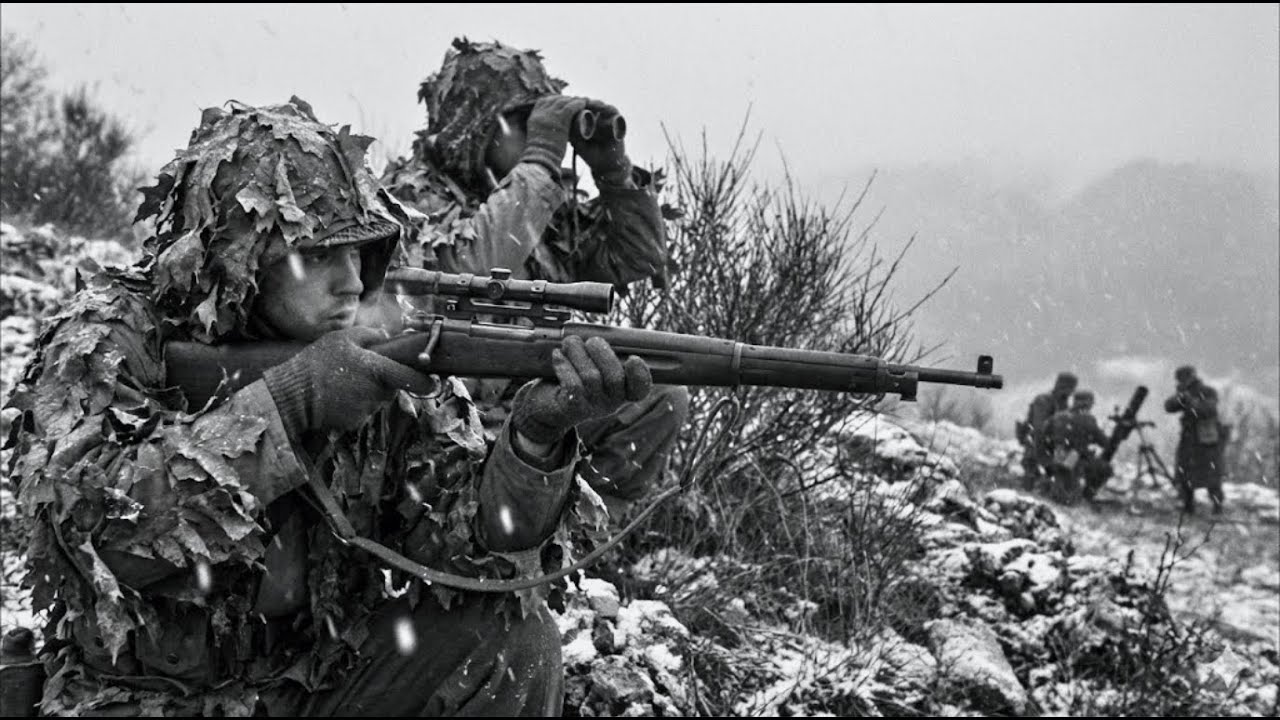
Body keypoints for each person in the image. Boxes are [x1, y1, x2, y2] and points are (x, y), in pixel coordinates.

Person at [4, 97, 650, 716]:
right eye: (318, 257)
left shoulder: (373, 345)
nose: (351, 282)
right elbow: (88, 536)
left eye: (360, 253)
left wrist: (533, 443)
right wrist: (289, 403)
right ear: (240, 261)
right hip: (145, 698)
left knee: (512, 644)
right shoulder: (113, 340)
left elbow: (470, 552)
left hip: (311, 682)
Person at [380, 37, 689, 522]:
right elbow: (470, 263)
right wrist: (542, 158)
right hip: (446, 419)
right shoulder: (408, 197)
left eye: (541, 127)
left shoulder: (541, 208)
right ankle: (497, 530)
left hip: (539, 405)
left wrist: (614, 173)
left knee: (660, 397)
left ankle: (574, 534)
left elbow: (637, 258)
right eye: (523, 124)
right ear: (478, 124)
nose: (535, 138)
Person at [1164, 365, 1226, 514]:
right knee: (1185, 472)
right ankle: (1188, 505)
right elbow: (1169, 407)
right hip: (1189, 438)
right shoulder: (1184, 392)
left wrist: (1191, 401)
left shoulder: (1207, 391)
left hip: (1206, 439)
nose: (1181, 381)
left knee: (1211, 475)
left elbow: (1208, 410)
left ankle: (1217, 506)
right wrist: (1180, 397)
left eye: (1183, 378)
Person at [1044, 390, 1111, 503]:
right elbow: (1104, 442)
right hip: (1075, 460)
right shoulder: (1088, 419)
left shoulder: (1058, 416)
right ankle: (1087, 495)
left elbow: (1044, 433)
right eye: (1091, 403)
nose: (1091, 406)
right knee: (1105, 468)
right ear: (1086, 403)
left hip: (1055, 456)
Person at [1017, 371, 1078, 489]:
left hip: (1052, 443)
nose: (1071, 393)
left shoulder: (1064, 404)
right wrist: (1045, 457)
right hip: (1036, 441)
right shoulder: (1043, 400)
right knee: (1031, 472)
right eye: (1070, 388)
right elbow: (1039, 428)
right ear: (1062, 386)